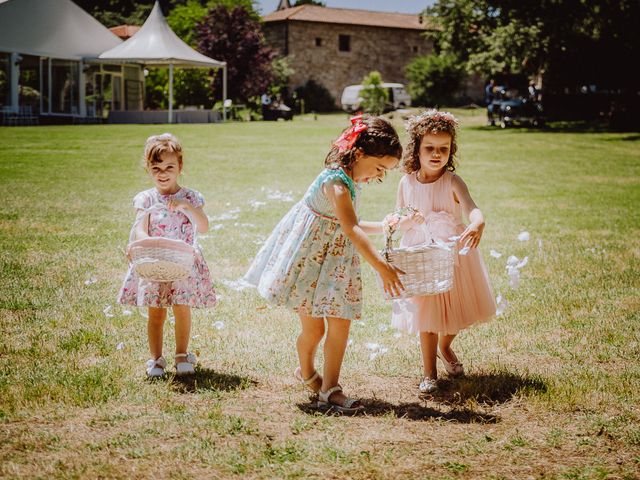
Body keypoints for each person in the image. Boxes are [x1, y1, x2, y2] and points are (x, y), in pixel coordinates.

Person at [245, 115, 405, 414]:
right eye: (380, 167)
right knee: (314, 331)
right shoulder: (335, 181)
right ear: (359, 154)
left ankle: (331, 389)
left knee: (341, 322)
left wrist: (385, 225)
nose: (379, 176)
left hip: (337, 264)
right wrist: (381, 265)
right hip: (310, 262)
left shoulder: (350, 181)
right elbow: (350, 228)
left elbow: (351, 223)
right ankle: (305, 371)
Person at [391, 110, 496, 394]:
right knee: (427, 315)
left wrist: (478, 222)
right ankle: (429, 373)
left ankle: (445, 345)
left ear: (451, 150)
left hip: (452, 256)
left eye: (443, 149)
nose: (437, 154)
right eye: (430, 148)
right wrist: (401, 221)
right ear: (416, 149)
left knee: (457, 313)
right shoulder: (406, 183)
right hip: (422, 256)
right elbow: (399, 216)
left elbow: (471, 208)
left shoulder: (453, 181)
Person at [118, 133, 217, 378]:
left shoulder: (191, 197)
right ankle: (155, 358)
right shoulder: (147, 198)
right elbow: (140, 227)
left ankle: (182, 354)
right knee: (156, 311)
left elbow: (203, 227)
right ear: (148, 169)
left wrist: (186, 206)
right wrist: (148, 242)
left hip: (182, 262)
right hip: (154, 259)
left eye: (169, 167)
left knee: (182, 307)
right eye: (156, 168)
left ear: (180, 167)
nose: (163, 173)